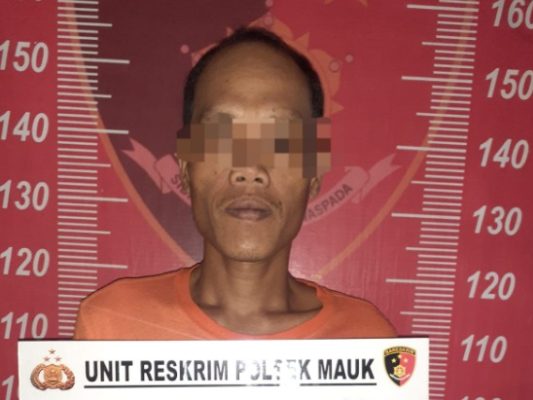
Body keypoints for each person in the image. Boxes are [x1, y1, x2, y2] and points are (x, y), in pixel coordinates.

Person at [74, 27, 395, 339]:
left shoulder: (367, 342)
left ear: (315, 172)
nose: (250, 168)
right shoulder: (112, 325)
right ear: (185, 165)